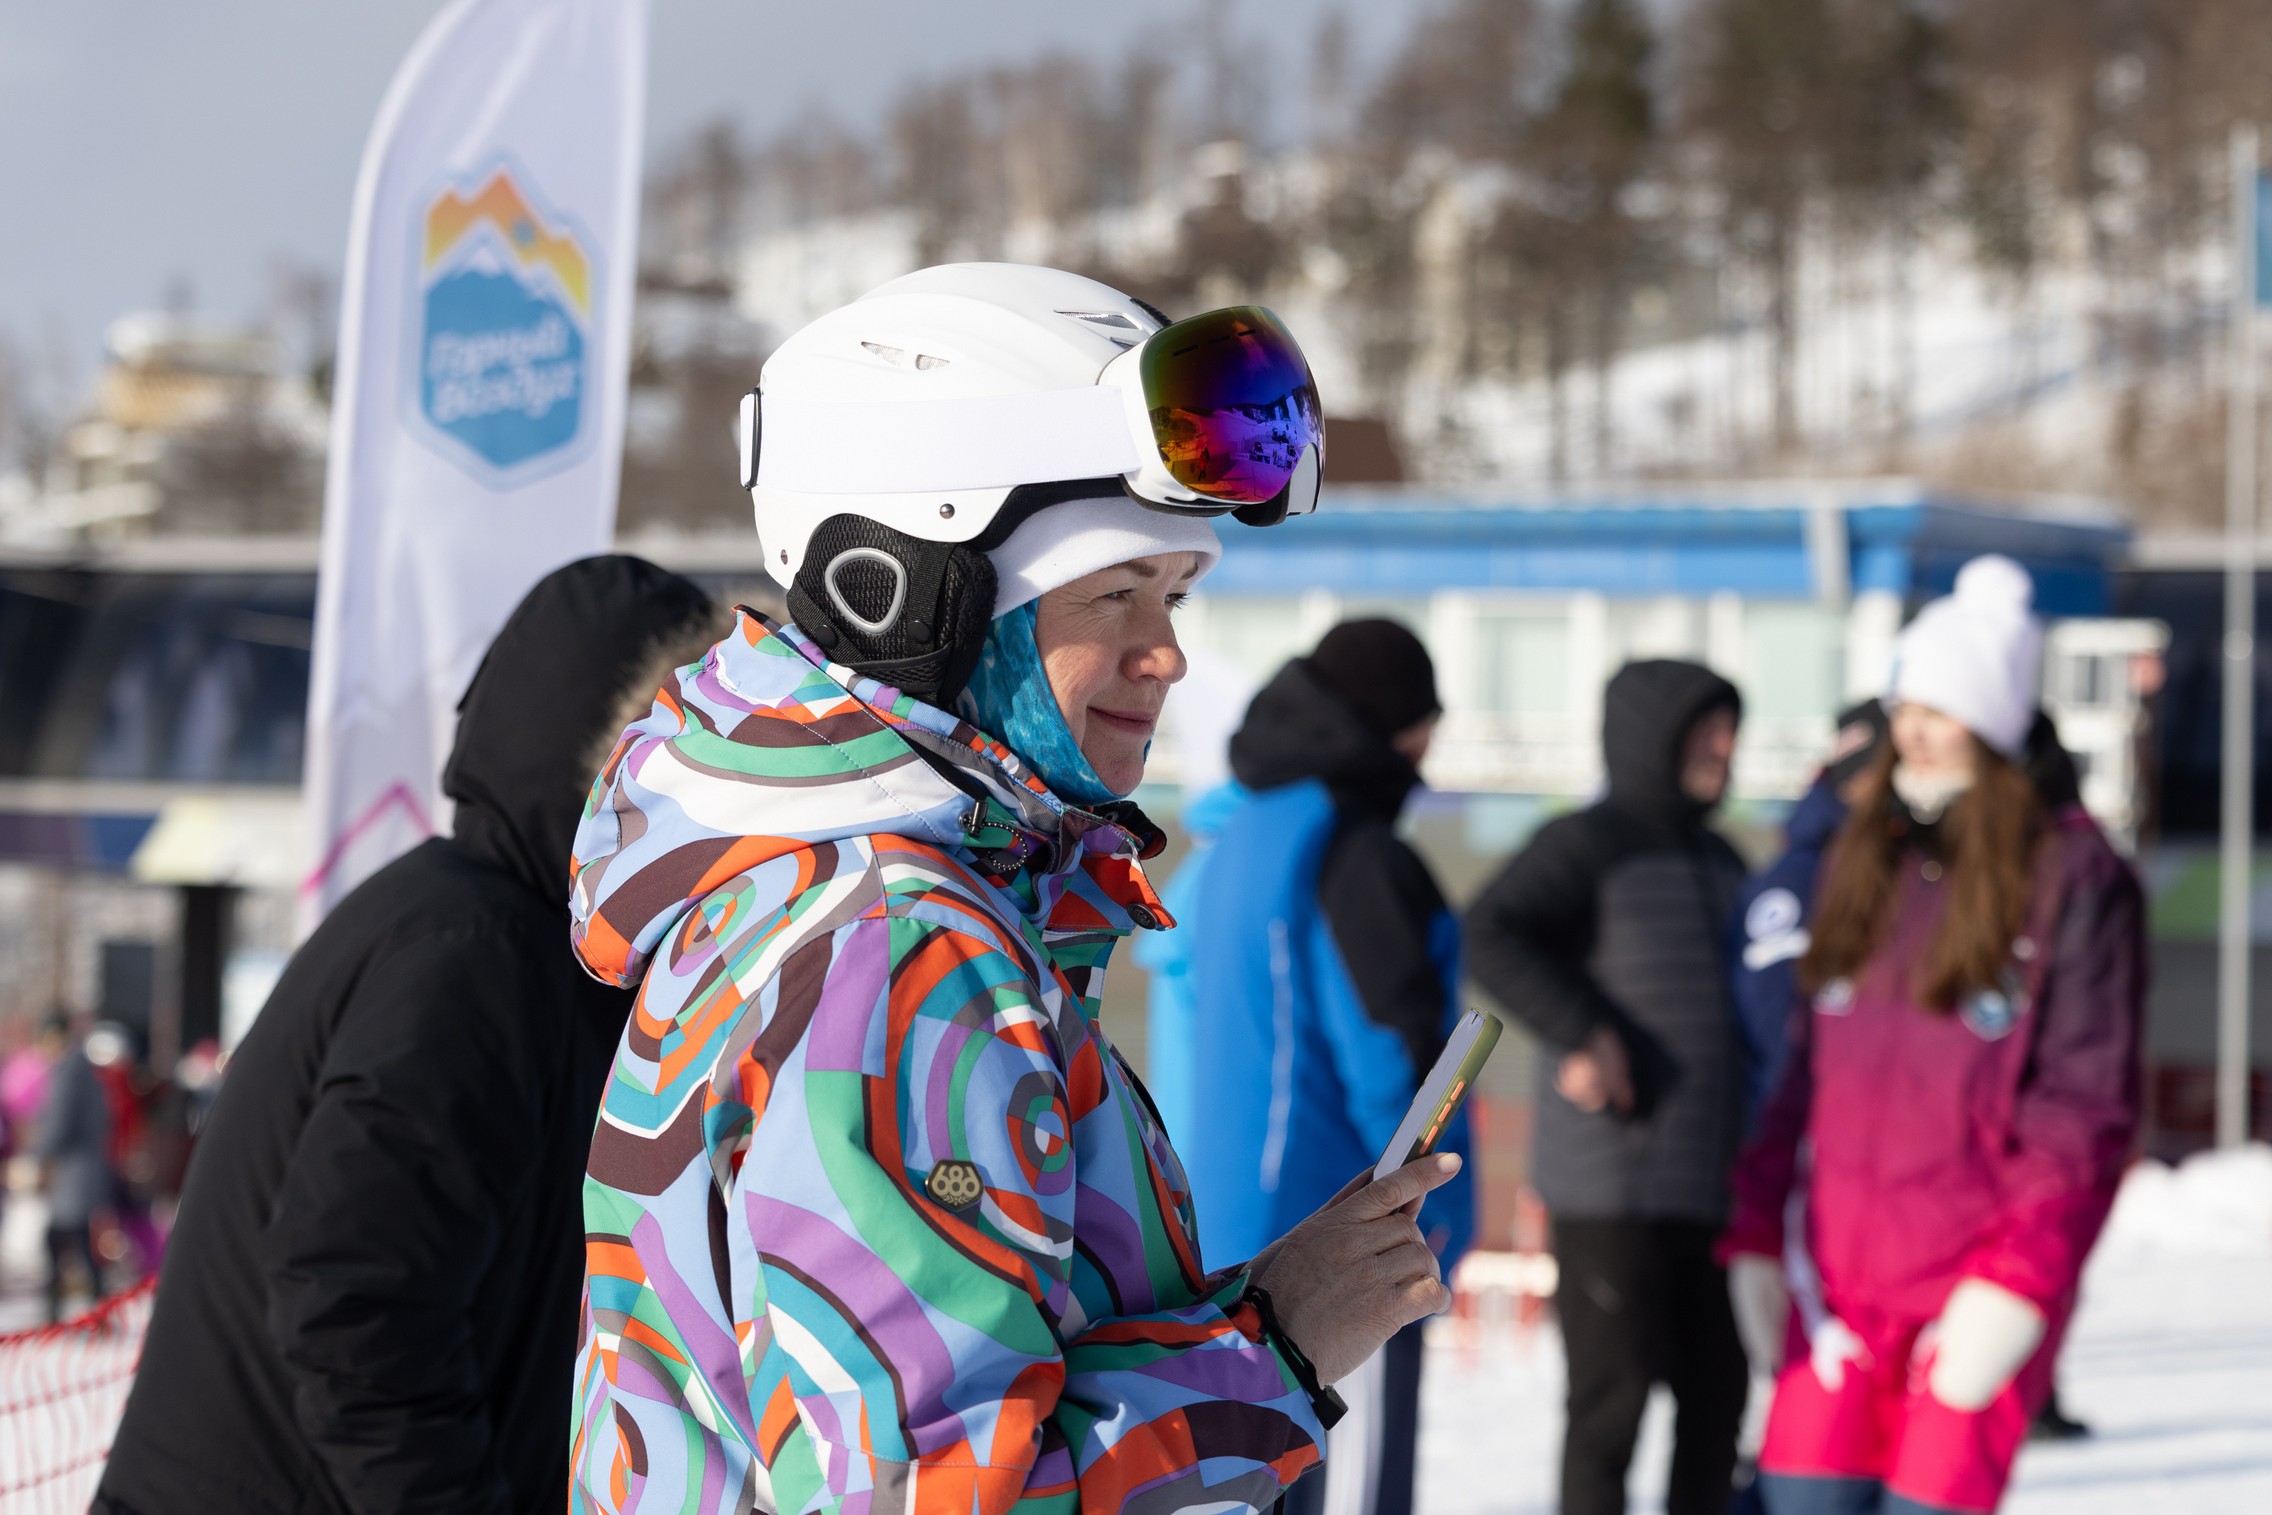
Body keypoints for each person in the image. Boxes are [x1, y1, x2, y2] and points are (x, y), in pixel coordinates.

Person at [568, 264, 1459, 1515]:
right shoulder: (896, 951)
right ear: (912, 599)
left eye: (1177, 592)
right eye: (1113, 595)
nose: (1166, 652)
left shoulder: (853, 902)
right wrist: (1280, 1345)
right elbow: (924, 1495)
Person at [95, 556, 724, 1515]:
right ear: (616, 758)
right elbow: (351, 1297)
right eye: (693, 750)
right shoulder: (474, 953)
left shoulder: (514, 944)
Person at [1721, 556, 2145, 1515]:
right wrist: (1755, 1232)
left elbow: (2084, 1109)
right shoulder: (1860, 857)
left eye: (1938, 708)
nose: (1910, 728)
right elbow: (1800, 1074)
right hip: (1837, 1292)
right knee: (1796, 1499)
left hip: (1972, 1288)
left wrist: (2020, 1286)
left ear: (1992, 724)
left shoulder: (2074, 876)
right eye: (1906, 702)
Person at [1176, 619, 1474, 1515]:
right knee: (1348, 1476)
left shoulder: (1242, 830)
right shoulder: (1354, 852)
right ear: (1401, 724)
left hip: (1222, 1216)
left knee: (1251, 1474)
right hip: (1337, 1229)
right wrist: (1432, 1210)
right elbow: (1392, 1058)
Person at [1464, 658, 1751, 1515]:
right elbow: (1490, 931)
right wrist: (1584, 1031)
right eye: (1707, 730)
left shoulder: (1724, 858)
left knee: (1718, 1399)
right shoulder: (1586, 842)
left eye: (1730, 728)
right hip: (1611, 1183)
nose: (1726, 747)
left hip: (1714, 1180)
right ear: (1651, 736)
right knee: (1610, 1407)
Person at [34, 1009, 110, 1322]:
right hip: (81, 1168)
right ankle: (96, 1310)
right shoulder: (81, 1067)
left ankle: (81, 1311)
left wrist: (37, 1154)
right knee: (72, 1240)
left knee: (63, 1240)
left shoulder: (70, 1069)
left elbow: (59, 1123)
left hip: (74, 1170)